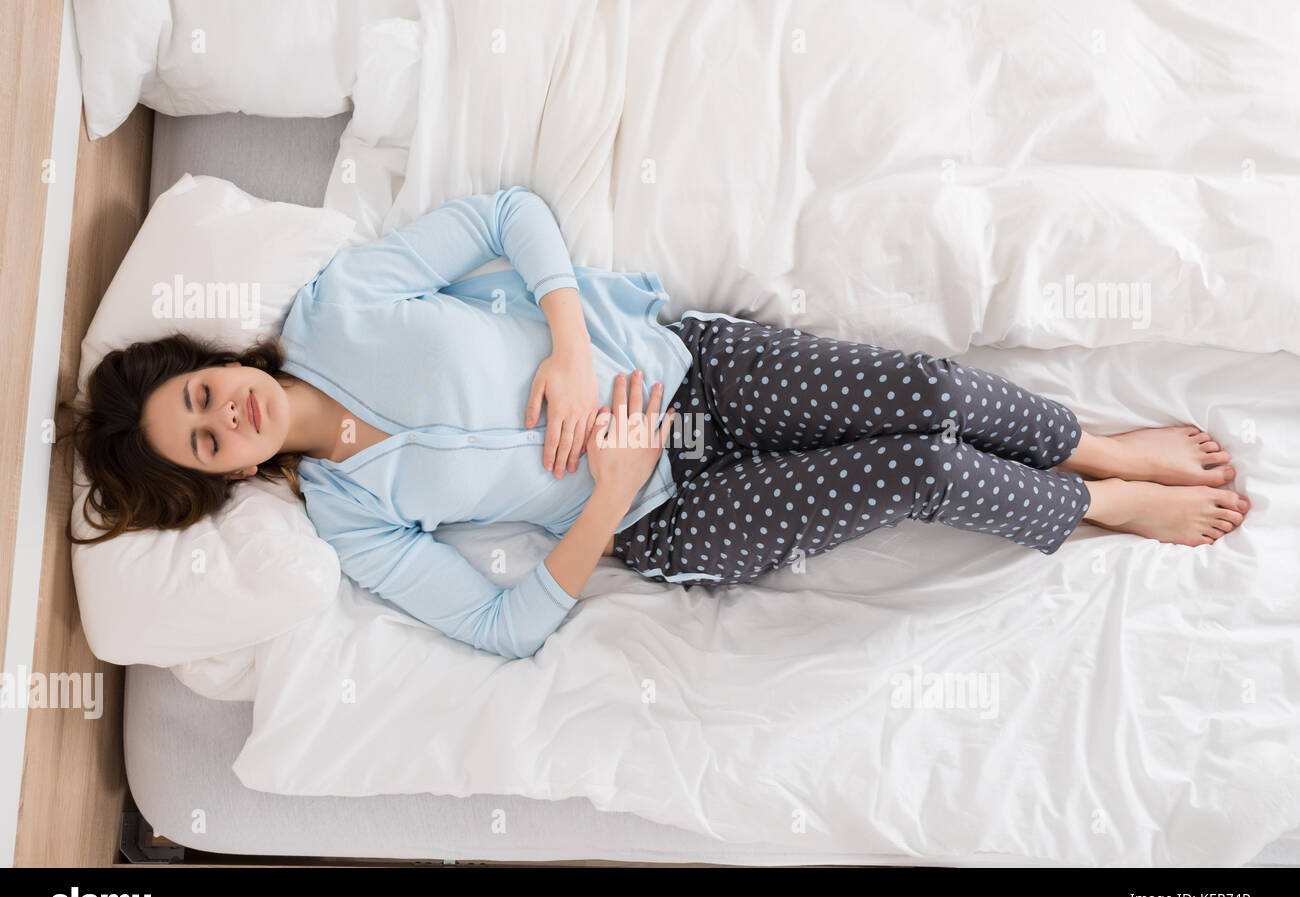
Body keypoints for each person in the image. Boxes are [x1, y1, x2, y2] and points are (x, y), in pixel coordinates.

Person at [61, 187, 1249, 660]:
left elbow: (509, 215)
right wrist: (614, 496)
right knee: (923, 470)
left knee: (932, 395)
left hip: (685, 370)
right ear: (230, 473)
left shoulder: (341, 306)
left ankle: (1088, 442)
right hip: (671, 517)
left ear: (214, 363)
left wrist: (570, 350)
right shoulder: (350, 518)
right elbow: (502, 623)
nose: (228, 414)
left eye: (203, 394)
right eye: (208, 441)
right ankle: (1102, 502)